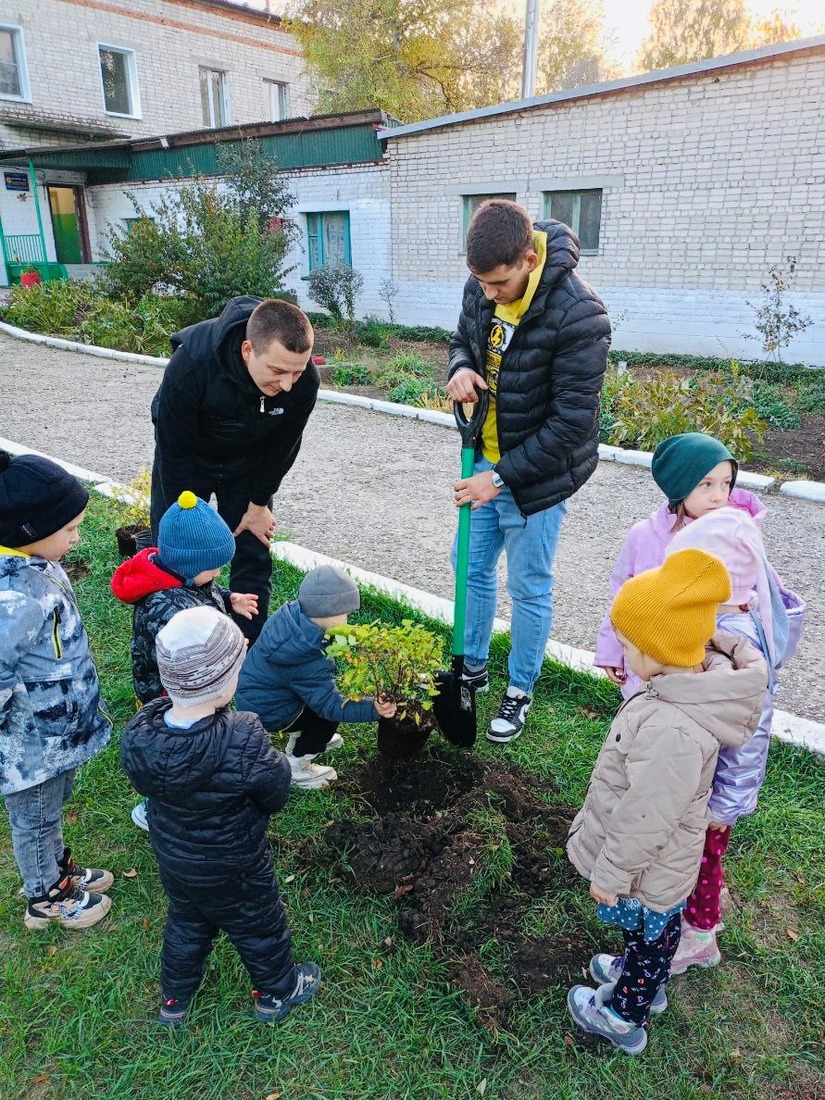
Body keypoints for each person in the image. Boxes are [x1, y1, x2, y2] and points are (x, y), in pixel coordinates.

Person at [566, 549, 766, 1055]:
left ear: (660, 649)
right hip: (660, 865)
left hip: (646, 867)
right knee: (651, 934)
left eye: (628, 644)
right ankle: (641, 979)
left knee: (653, 935)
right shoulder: (679, 689)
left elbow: (646, 815)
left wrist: (611, 873)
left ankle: (623, 1013)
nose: (624, 652)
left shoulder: (673, 728)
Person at [445, 199, 610, 744]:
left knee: (529, 585)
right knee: (469, 567)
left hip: (538, 479)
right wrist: (462, 367)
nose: (488, 293)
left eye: (498, 283)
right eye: (480, 283)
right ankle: (470, 667)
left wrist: (499, 479)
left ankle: (519, 690)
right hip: (484, 458)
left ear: (528, 257)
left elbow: (570, 425)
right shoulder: (481, 283)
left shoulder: (579, 313)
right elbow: (461, 339)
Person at [120, 606, 322, 1026]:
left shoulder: (142, 734)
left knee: (186, 925)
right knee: (258, 926)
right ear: (224, 680)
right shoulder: (243, 735)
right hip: (237, 867)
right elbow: (275, 790)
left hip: (177, 864)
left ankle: (173, 1000)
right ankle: (278, 991)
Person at [663, 508, 805, 974]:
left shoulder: (741, 649)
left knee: (702, 861)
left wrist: (724, 807)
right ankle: (701, 912)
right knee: (703, 860)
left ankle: (698, 936)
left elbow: (750, 738)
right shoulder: (728, 625)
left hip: (717, 792)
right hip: (708, 781)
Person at [150, 296, 319, 645]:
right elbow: (174, 451)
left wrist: (259, 504)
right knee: (178, 551)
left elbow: (283, 447)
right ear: (247, 351)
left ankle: (244, 648)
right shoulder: (191, 366)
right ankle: (181, 641)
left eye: (297, 372)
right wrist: (186, 516)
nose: (288, 385)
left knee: (253, 550)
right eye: (277, 371)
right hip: (190, 458)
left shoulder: (305, 383)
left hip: (249, 462)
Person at [0, 450, 113, 930]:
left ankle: (55, 869)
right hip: (30, 744)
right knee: (35, 816)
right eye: (69, 530)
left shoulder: (33, 570)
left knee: (51, 806)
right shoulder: (12, 598)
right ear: (28, 531)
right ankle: (45, 895)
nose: (77, 537)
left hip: (54, 732)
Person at [112, 490, 258, 830]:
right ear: (189, 567)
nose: (219, 574)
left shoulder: (182, 577)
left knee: (199, 741)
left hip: (193, 689)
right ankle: (155, 806)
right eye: (214, 568)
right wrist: (227, 652)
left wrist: (228, 597)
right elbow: (185, 660)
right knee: (170, 750)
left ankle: (200, 781)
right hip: (169, 694)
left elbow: (202, 591)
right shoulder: (164, 608)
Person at [595, 431, 767, 697]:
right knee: (641, 719)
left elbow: (757, 591)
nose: (718, 496)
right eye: (705, 484)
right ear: (678, 484)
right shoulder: (644, 535)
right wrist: (611, 648)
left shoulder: (733, 537)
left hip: (698, 668)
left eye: (726, 483)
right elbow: (621, 593)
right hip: (645, 660)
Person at [236, 565, 397, 789]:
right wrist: (374, 709)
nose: (348, 621)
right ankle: (297, 763)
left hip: (257, 696)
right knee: (327, 716)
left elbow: (334, 638)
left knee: (321, 702)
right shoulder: (307, 657)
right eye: (346, 615)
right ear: (327, 613)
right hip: (270, 712)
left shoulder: (295, 621)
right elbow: (331, 706)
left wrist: (364, 644)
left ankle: (304, 737)